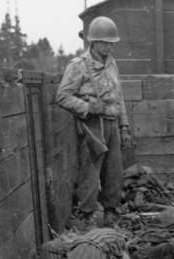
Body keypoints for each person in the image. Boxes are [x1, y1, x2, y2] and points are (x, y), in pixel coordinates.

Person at [56, 16, 133, 228]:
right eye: (105, 42)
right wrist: (88, 108)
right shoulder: (78, 66)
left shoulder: (112, 64)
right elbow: (62, 96)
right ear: (94, 42)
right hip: (92, 126)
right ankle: (86, 218)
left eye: (111, 43)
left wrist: (124, 126)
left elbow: (119, 97)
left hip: (112, 125)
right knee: (90, 173)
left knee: (114, 173)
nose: (109, 47)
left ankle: (111, 215)